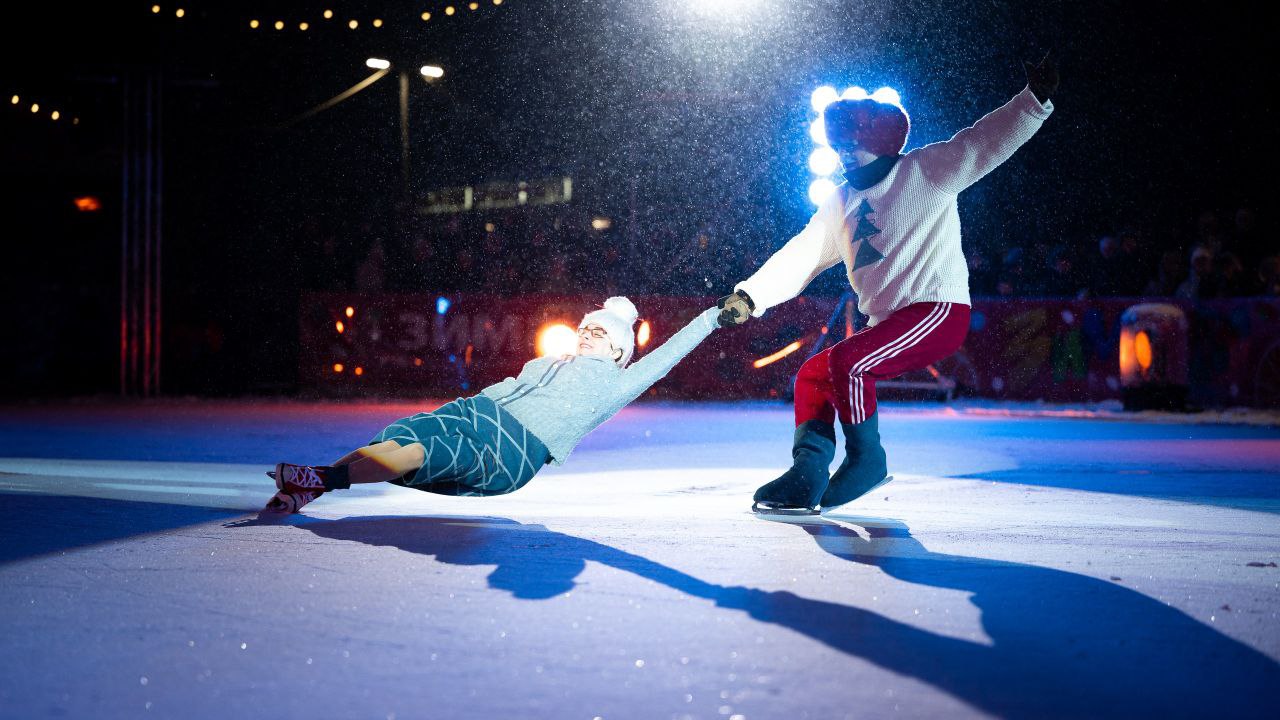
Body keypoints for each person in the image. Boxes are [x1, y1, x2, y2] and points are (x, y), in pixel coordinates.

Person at [717, 53, 1058, 515]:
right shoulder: (840, 200)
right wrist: (750, 295)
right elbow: (802, 255)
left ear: (879, 140)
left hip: (935, 309)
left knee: (850, 365)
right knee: (813, 374)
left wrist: (1032, 101)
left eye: (850, 142)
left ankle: (867, 459)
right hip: (889, 320)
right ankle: (808, 470)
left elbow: (982, 144)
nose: (842, 152)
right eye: (837, 143)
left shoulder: (924, 171)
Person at [263, 298, 720, 513]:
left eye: (597, 332)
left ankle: (319, 477)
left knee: (423, 456)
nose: (585, 333)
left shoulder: (617, 383)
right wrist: (474, 404)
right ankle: (310, 488)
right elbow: (511, 385)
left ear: (619, 349)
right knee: (398, 439)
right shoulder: (556, 357)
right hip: (476, 412)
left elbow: (668, 354)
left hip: (511, 451)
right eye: (585, 327)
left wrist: (714, 314)